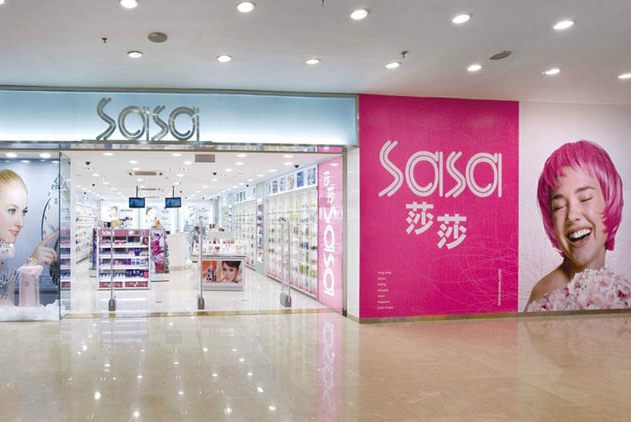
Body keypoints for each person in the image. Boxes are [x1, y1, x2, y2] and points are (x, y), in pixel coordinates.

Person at [526, 140, 625, 310]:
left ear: (609, 200)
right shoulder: (545, 297)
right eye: (559, 207)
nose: (571, 216)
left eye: (585, 198)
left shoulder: (620, 290)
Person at [0, 169, 58, 275]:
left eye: (24, 212)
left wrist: (32, 261)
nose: (21, 223)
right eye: (12, 210)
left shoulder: (5, 251)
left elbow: (13, 281)